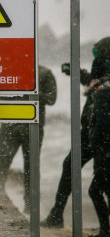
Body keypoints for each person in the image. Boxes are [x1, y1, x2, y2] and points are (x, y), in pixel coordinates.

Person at [41, 36, 110, 228]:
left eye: (97, 52)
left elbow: (99, 84)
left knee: (99, 184)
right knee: (79, 172)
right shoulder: (103, 70)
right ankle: (57, 214)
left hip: (101, 134)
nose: (95, 55)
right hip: (92, 132)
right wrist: (78, 73)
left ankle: (59, 215)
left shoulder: (104, 67)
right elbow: (95, 82)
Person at [0, 65, 57, 211]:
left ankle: (30, 205)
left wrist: (30, 91)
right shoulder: (11, 71)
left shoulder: (44, 73)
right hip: (10, 124)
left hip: (33, 126)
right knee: (1, 164)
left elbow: (51, 98)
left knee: (31, 167)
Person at [89, 72, 110, 237]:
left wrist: (95, 146)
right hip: (105, 151)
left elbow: (100, 126)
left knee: (95, 191)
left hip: (104, 153)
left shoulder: (103, 96)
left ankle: (105, 230)